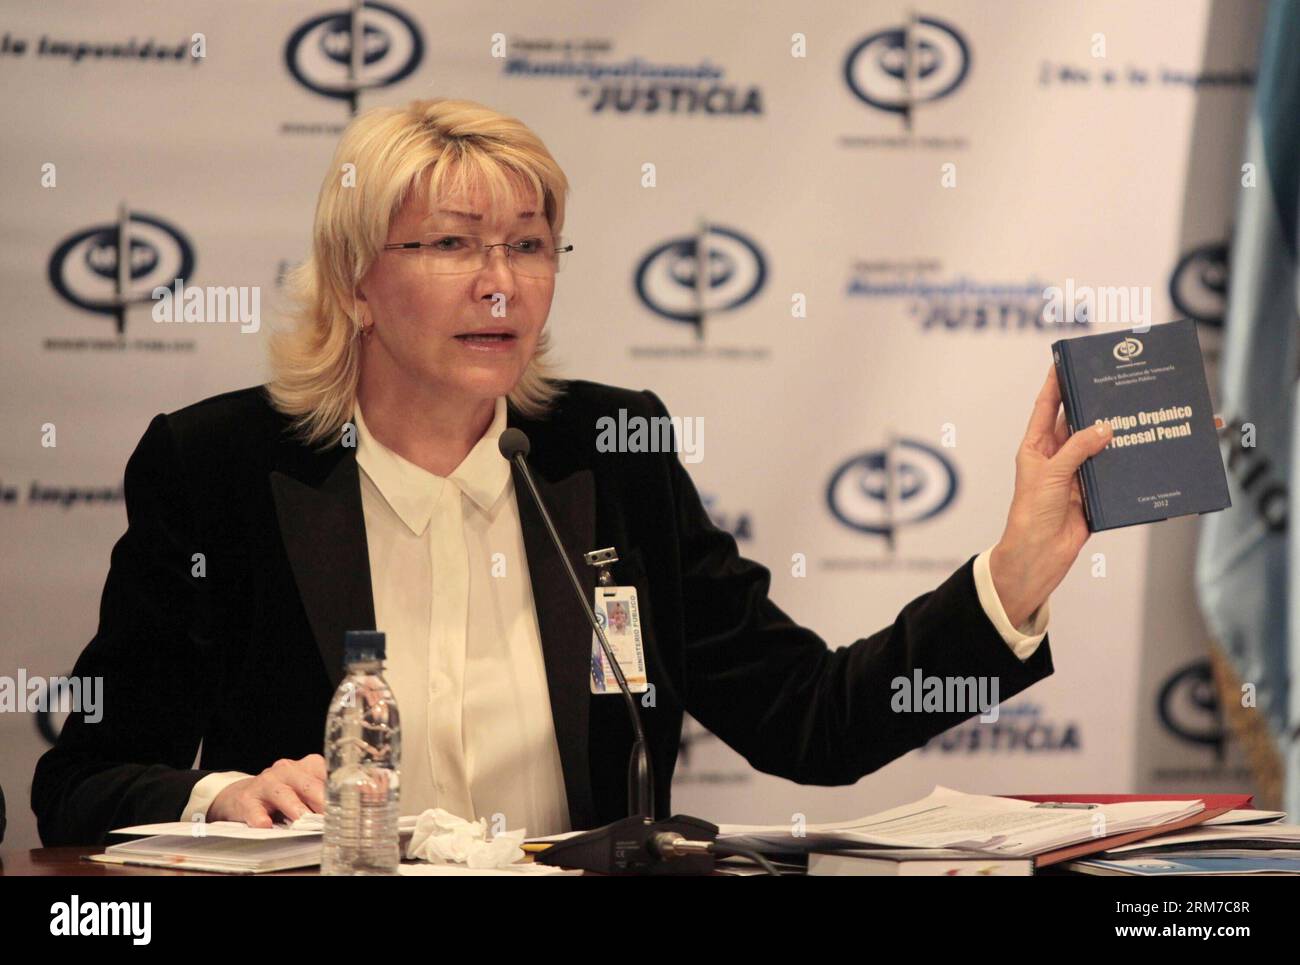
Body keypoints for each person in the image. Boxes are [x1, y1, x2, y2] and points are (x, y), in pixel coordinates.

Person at [31, 98, 1112, 845]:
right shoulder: (220, 468)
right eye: (452, 245)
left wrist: (1014, 571)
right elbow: (79, 780)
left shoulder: (610, 451)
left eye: (530, 246)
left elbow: (806, 720)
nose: (500, 286)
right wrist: (224, 795)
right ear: (355, 283)